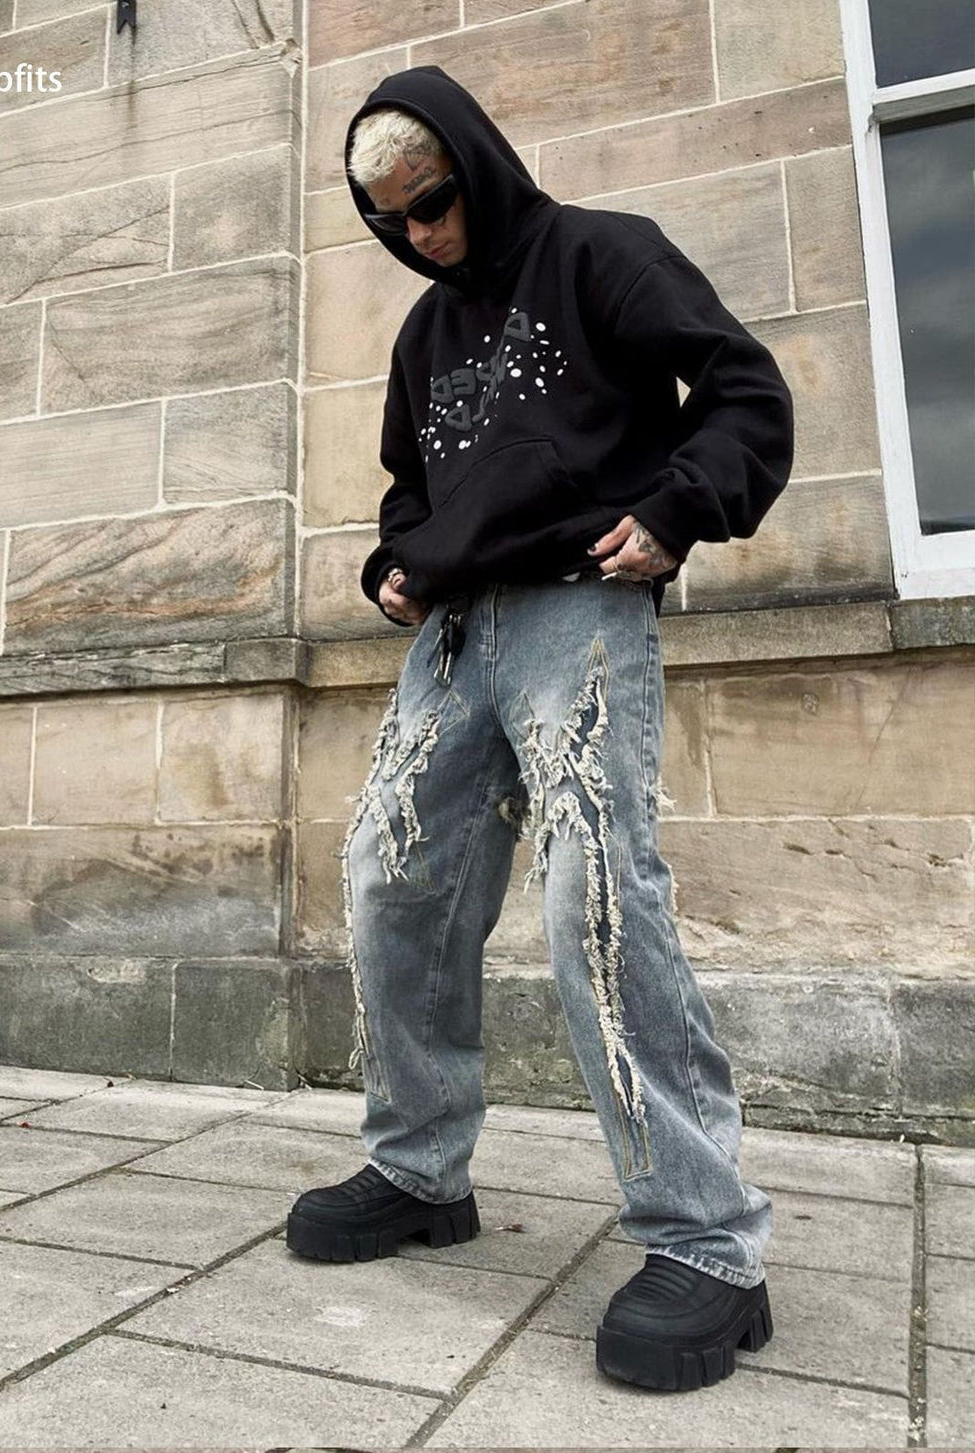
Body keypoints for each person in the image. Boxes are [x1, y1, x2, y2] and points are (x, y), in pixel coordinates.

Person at [286, 65, 794, 1393]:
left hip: (582, 606)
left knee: (596, 898)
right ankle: (419, 1169)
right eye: (392, 221)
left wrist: (678, 508)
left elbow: (744, 392)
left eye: (433, 202)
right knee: (388, 880)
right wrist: (392, 566)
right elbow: (409, 492)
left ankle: (706, 1239)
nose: (421, 234)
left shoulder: (600, 256)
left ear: (476, 163)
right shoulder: (423, 332)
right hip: (454, 634)